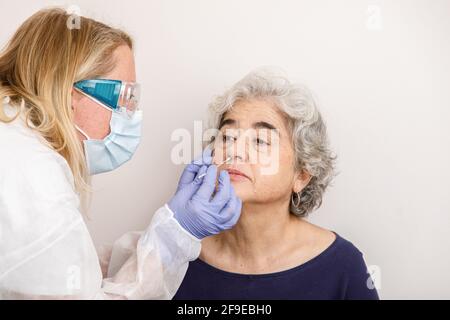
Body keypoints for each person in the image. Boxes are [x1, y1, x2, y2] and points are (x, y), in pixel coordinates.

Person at [0, 8, 241, 299]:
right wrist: (175, 234)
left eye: (262, 140)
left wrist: (170, 230)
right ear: (69, 94)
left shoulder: (17, 147)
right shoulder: (32, 179)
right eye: (126, 95)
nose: (132, 113)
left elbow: (71, 268)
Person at [173, 69, 380, 300]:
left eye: (260, 140)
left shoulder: (343, 266)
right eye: (228, 136)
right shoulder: (178, 252)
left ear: (301, 175)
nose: (235, 151)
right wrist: (174, 235)